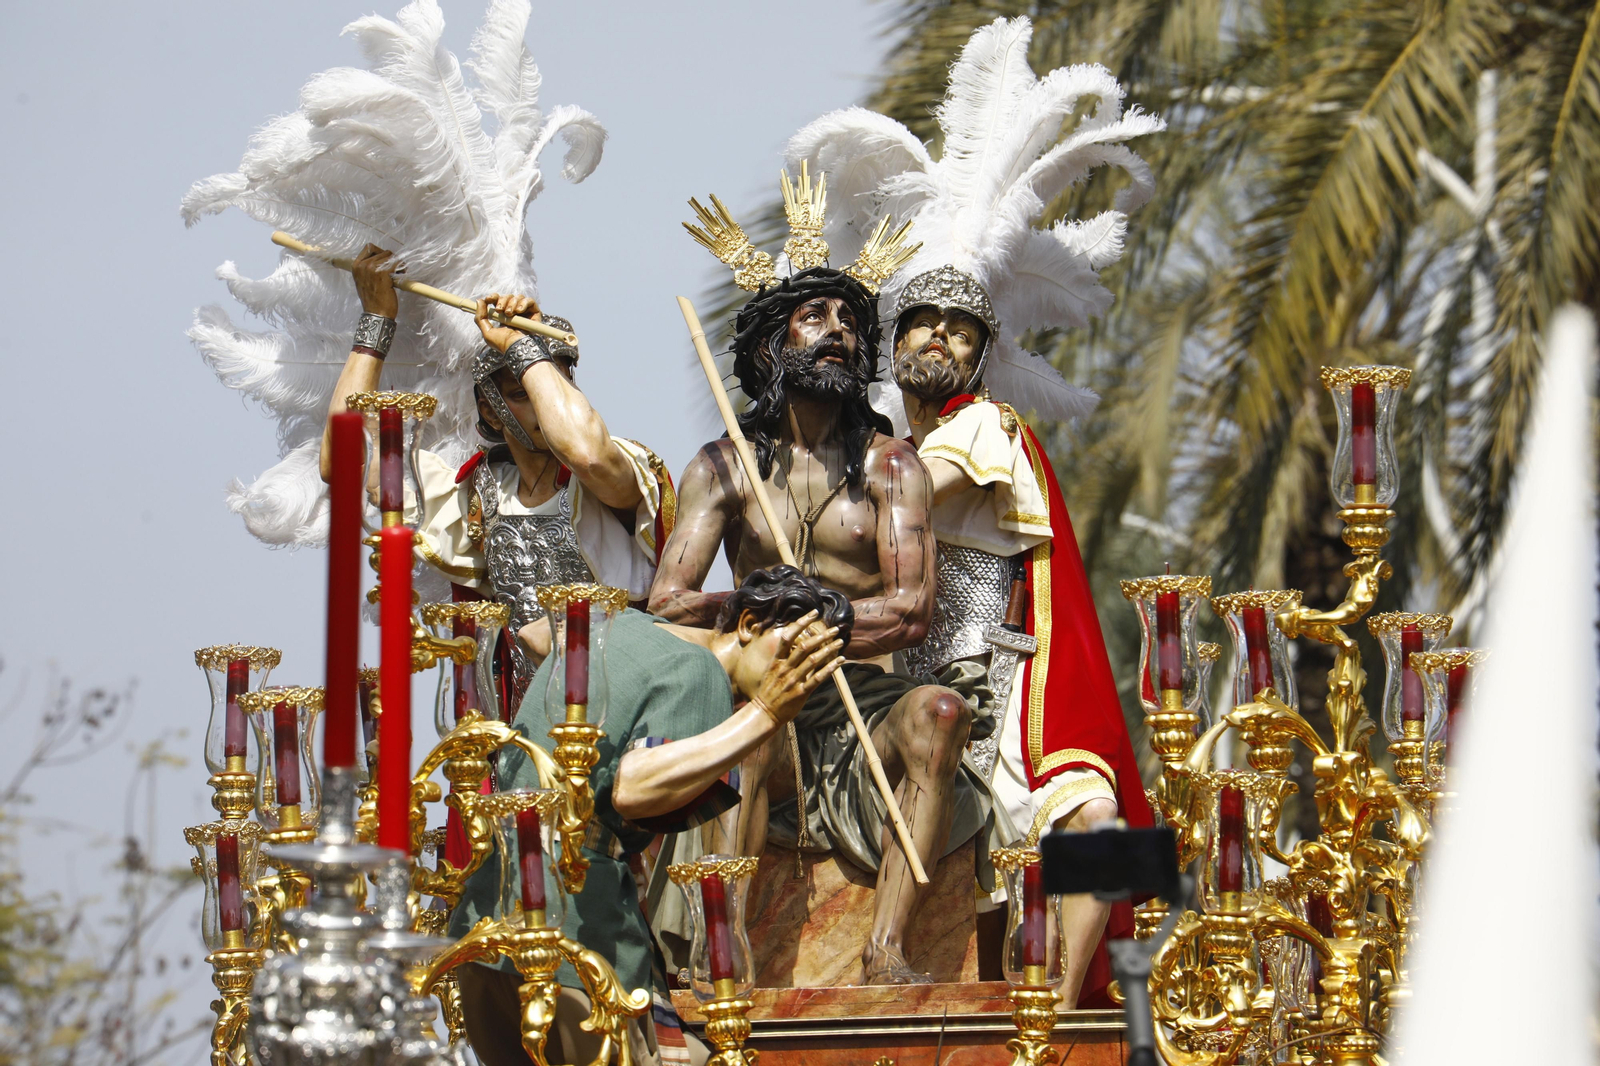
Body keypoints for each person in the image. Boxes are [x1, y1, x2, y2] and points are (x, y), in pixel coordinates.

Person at [782, 17, 1163, 1005]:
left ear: (981, 357)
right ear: (895, 339)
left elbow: (893, 503)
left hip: (994, 696)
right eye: (925, 323)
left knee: (1097, 823)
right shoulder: (872, 442)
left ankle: (1052, 1019)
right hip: (883, 686)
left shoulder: (980, 430)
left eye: (961, 331)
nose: (941, 341)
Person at [649, 172, 990, 985]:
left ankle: (886, 948)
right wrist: (753, 605)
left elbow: (910, 611)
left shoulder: (890, 465)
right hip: (763, 689)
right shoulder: (724, 467)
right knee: (753, 722)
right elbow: (667, 604)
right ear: (772, 348)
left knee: (942, 712)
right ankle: (726, 950)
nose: (838, 331)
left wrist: (830, 611)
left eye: (849, 321)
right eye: (815, 318)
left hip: (862, 699)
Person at [450, 565, 849, 1066]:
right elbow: (633, 789)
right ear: (748, 625)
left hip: (484, 918)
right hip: (571, 926)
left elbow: (534, 635)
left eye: (811, 672)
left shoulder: (626, 625)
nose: (792, 680)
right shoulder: (702, 671)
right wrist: (764, 715)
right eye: (792, 655)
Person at [320, 247, 674, 701]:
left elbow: (586, 454)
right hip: (525, 724)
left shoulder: (620, 469)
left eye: (552, 384)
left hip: (626, 709)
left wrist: (521, 347)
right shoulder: (480, 494)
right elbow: (344, 462)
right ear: (490, 410)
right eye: (521, 394)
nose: (543, 406)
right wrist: (376, 321)